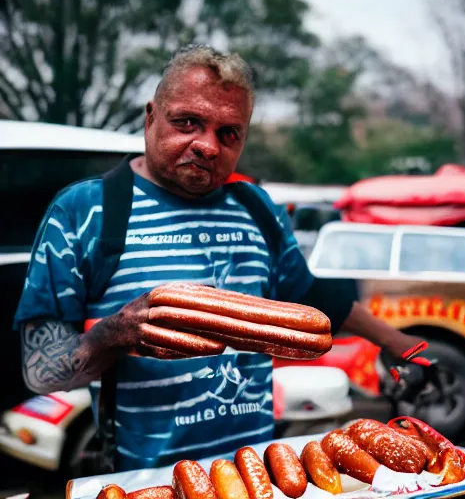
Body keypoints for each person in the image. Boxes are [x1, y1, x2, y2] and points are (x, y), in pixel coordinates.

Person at [15, 44, 421, 472]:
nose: (208, 146)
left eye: (228, 133)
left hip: (254, 475)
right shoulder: (85, 211)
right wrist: (117, 332)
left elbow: (312, 299)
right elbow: (39, 372)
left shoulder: (257, 208)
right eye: (188, 122)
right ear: (151, 117)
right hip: (147, 479)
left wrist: (398, 343)